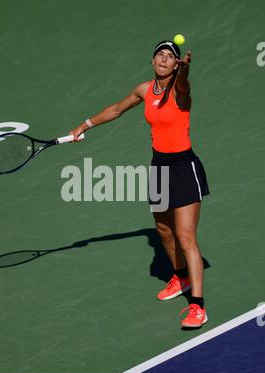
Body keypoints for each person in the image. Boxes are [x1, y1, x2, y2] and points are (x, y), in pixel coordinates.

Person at [69, 40, 210, 328]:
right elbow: (117, 109)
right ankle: (180, 276)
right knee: (162, 230)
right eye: (160, 54)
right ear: (153, 60)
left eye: (170, 56)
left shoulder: (181, 89)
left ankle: (198, 306)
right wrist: (85, 125)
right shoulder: (144, 90)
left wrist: (184, 72)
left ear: (175, 64)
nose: (163, 58)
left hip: (184, 167)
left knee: (186, 237)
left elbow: (183, 83)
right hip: (159, 167)